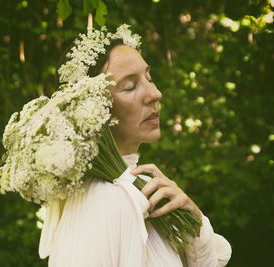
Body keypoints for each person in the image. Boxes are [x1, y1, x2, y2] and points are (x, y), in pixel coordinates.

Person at [39, 25, 232, 267]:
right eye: (130, 86)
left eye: (149, 78)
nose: (155, 93)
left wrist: (194, 222)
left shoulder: (139, 191)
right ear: (93, 111)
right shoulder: (111, 201)